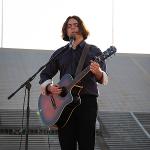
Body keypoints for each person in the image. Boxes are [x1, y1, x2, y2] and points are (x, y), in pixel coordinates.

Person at [39, 15, 111, 150]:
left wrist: (97, 72)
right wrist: (49, 87)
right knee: (66, 144)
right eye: (69, 26)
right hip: (63, 105)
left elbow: (104, 78)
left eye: (76, 25)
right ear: (66, 31)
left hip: (87, 103)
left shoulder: (94, 51)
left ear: (81, 28)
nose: (73, 28)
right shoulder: (60, 53)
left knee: (86, 144)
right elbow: (45, 74)